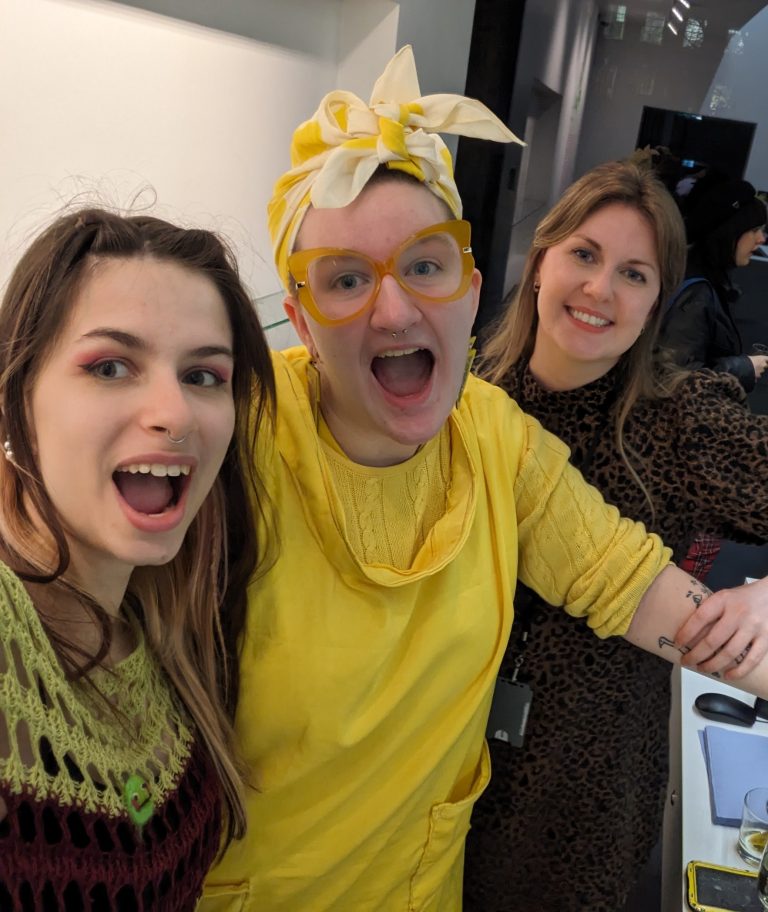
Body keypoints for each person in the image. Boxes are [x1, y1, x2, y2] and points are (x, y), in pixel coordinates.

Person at [202, 48, 768, 912]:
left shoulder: (497, 435)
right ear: (301, 320)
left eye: (424, 266)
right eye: (347, 280)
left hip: (480, 864)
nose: (395, 310)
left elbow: (627, 582)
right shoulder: (235, 432)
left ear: (469, 288)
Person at [465, 160, 768, 912]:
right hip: (440, 769)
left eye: (634, 274)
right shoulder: (465, 396)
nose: (600, 289)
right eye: (584, 254)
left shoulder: (681, 420)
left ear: (657, 300)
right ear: (541, 262)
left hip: (579, 801)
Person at [0, 208, 275, 907]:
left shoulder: (166, 628)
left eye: (203, 376)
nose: (174, 414)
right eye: (110, 366)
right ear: (15, 398)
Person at [658, 175, 768, 391]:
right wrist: (744, 368)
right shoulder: (696, 293)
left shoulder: (699, 274)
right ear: (730, 232)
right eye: (754, 230)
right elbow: (673, 378)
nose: (761, 239)